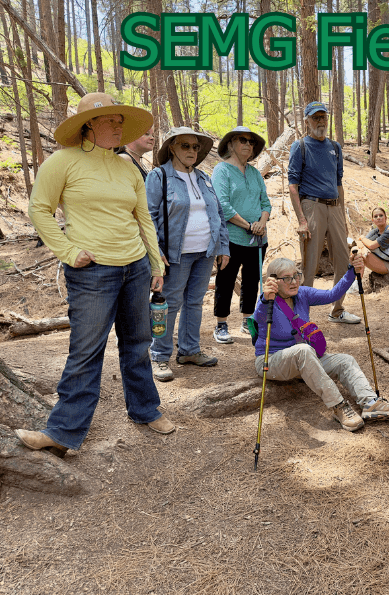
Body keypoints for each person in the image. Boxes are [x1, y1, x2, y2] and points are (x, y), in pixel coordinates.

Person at [18, 93, 175, 454]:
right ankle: (63, 431)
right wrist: (69, 252)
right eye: (110, 120)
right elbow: (39, 210)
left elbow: (144, 219)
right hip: (91, 272)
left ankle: (145, 409)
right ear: (88, 124)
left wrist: (154, 263)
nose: (119, 126)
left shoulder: (126, 167)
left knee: (137, 344)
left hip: (134, 267)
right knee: (86, 351)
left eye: (121, 121)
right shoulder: (63, 162)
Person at [255, 256, 389, 432]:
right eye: (287, 278)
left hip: (305, 360)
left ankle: (371, 403)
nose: (294, 282)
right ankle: (339, 407)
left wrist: (352, 271)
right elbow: (259, 316)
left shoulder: (302, 294)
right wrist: (266, 299)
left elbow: (332, 295)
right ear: (273, 281)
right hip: (272, 360)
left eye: (296, 276)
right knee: (304, 350)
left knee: (345, 360)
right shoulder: (268, 300)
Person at [145, 127, 231, 381]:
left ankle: (190, 350)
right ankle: (159, 356)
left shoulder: (203, 177)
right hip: (174, 255)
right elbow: (147, 217)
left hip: (204, 252)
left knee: (194, 302)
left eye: (196, 147)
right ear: (172, 147)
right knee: (168, 305)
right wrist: (156, 252)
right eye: (185, 146)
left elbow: (218, 214)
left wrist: (223, 247)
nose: (192, 151)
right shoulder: (159, 177)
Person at [288, 101, 361, 325]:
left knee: (342, 259)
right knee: (311, 263)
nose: (320, 121)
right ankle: (302, 317)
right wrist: (302, 219)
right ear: (307, 121)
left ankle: (337, 311)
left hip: (335, 206)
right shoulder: (300, 146)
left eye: (323, 117)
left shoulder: (335, 147)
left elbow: (338, 182)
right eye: (315, 117)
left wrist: (343, 215)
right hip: (312, 206)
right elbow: (292, 185)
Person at [211, 126, 271, 344]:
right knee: (226, 279)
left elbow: (266, 202)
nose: (248, 145)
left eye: (251, 142)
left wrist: (261, 223)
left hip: (258, 239)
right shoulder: (222, 170)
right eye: (243, 140)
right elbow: (222, 205)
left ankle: (247, 319)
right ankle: (221, 323)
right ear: (231, 144)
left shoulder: (255, 173)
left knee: (252, 280)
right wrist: (248, 225)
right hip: (232, 237)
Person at [354, 207, 389, 291]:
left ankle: (356, 285)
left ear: (386, 218)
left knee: (362, 255)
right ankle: (356, 284)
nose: (378, 218)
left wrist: (362, 238)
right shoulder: (375, 231)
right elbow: (359, 243)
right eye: (375, 216)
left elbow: (371, 245)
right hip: (381, 260)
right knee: (356, 251)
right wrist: (363, 247)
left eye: (381, 215)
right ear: (373, 220)